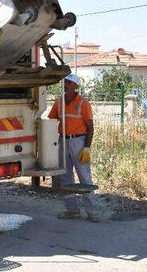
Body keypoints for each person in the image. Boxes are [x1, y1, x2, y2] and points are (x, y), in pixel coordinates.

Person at [48, 73, 99, 222]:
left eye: (69, 83)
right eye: (65, 83)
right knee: (65, 177)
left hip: (79, 142)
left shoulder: (83, 103)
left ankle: (92, 211)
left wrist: (87, 148)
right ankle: (72, 210)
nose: (66, 86)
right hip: (62, 140)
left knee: (84, 177)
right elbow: (51, 122)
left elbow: (90, 127)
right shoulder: (59, 102)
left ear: (76, 86)